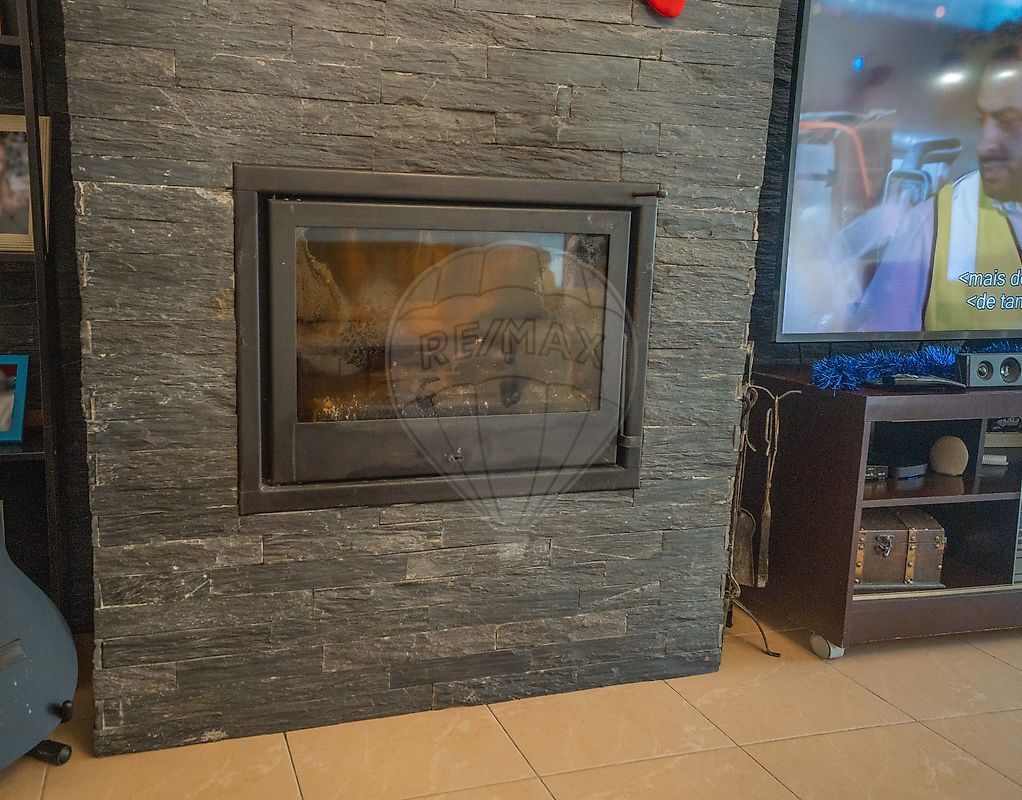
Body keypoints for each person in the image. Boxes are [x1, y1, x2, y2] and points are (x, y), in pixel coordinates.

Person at [857, 44, 1022, 332]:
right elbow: (874, 351)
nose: (985, 144)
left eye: (1007, 122)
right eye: (981, 121)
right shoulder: (933, 223)